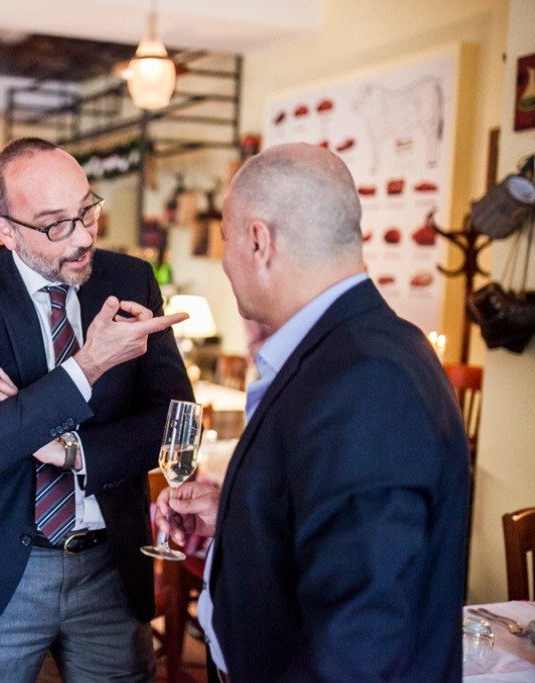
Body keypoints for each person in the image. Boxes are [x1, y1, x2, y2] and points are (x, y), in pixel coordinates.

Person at [157, 143, 470, 681]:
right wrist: (239, 516)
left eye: (227, 238)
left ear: (259, 241)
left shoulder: (367, 379)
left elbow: (360, 632)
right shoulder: (359, 347)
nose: (226, 260)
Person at [0, 138, 192, 682]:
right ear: (6, 230)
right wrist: (88, 365)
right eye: (55, 225)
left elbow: (176, 424)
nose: (82, 237)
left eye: (87, 211)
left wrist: (66, 448)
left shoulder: (130, 280)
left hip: (109, 563)